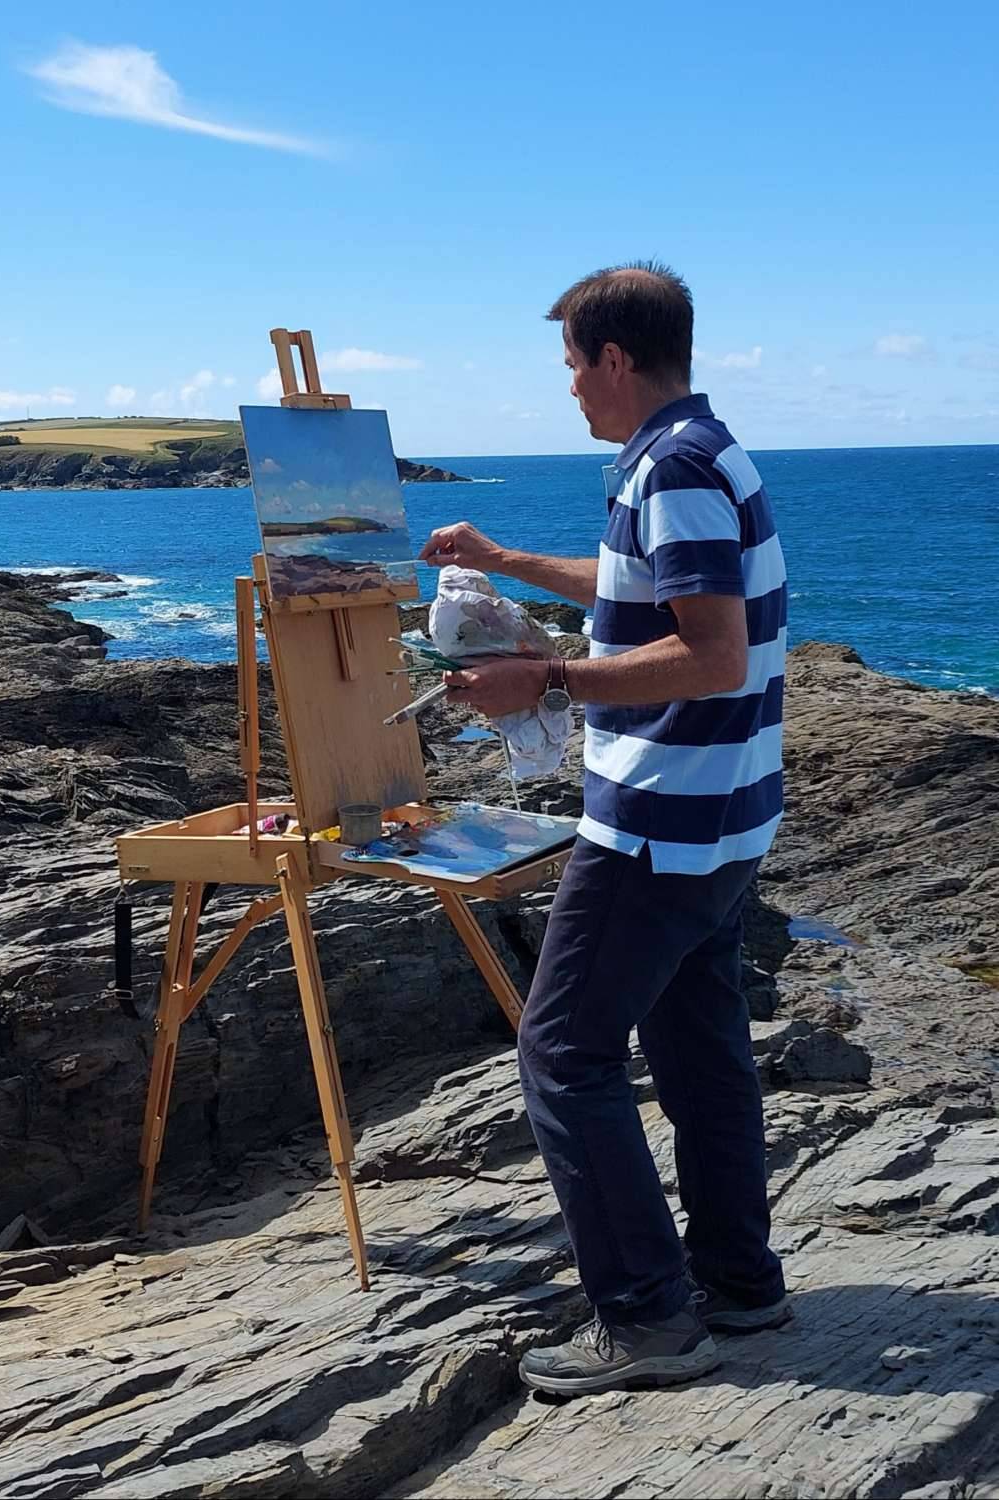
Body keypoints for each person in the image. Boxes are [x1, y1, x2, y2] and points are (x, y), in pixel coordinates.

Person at [420, 261, 789, 1396]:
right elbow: (638, 590)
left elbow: (710, 654)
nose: (569, 385)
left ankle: (644, 1318)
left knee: (563, 1054)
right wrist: (504, 563)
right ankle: (738, 1284)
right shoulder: (695, 450)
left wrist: (543, 680)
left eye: (574, 363)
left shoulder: (671, 467)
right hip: (723, 815)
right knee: (699, 1049)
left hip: (659, 822)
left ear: (615, 358)